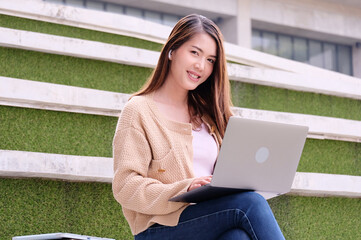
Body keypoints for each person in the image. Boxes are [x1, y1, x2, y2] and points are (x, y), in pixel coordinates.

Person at [112, 14, 285, 240]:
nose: (201, 66)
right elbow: (125, 186)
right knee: (250, 204)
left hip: (210, 218)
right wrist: (185, 188)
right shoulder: (139, 110)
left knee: (236, 237)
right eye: (195, 52)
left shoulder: (209, 115)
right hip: (159, 229)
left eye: (211, 60)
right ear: (172, 50)